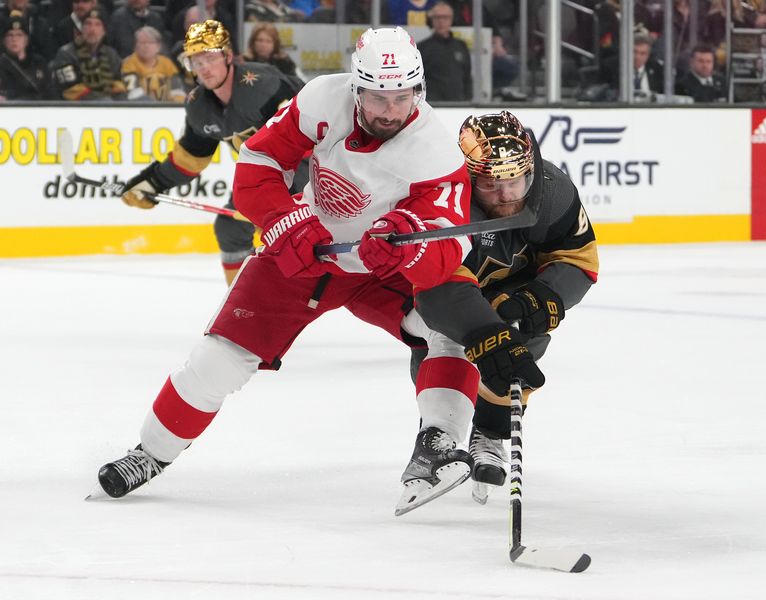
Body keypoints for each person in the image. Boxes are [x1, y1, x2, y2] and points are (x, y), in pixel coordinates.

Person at [95, 27, 483, 516]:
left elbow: (450, 238)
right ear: (356, 88)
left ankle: (439, 444)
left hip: (382, 267)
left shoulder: (436, 150)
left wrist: (408, 244)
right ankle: (149, 453)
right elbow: (259, 160)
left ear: (418, 91)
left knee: (453, 328)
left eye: (401, 97)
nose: (390, 110)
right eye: (378, 97)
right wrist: (284, 218)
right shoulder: (324, 96)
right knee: (218, 359)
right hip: (306, 255)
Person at [412, 111, 598, 499]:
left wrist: (545, 296)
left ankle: (492, 432)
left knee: (525, 335)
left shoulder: (554, 191)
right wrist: (486, 325)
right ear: (467, 178)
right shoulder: (442, 199)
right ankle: (436, 437)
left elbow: (579, 260)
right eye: (492, 185)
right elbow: (436, 285)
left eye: (515, 181)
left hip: (516, 283)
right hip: (447, 287)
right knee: (443, 340)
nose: (507, 194)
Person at [120, 19, 303, 284]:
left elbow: (308, 138)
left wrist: (279, 200)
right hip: (265, 178)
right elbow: (190, 159)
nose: (204, 68)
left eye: (209, 58)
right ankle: (245, 301)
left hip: (312, 170)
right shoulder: (199, 106)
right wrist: (151, 183)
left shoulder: (264, 85)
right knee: (229, 228)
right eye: (196, 62)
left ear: (228, 56)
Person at [50, 8, 127, 100]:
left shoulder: (111, 54)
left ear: (104, 32)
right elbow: (71, 89)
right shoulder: (66, 54)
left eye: (97, 25)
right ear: (81, 29)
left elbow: (119, 84)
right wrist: (104, 101)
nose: (92, 29)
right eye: (88, 24)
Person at [417, 1, 471, 101]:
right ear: (431, 20)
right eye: (437, 17)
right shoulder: (421, 48)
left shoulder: (461, 46)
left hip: (459, 105)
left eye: (445, 17)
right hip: (433, 106)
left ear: (452, 19)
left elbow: (467, 78)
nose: (441, 21)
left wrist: (469, 101)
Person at [122, 26, 185, 101]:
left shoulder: (167, 63)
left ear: (158, 46)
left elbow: (177, 90)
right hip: (141, 107)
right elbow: (134, 93)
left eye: (150, 42)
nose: (146, 46)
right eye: (142, 42)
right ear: (135, 46)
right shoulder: (129, 63)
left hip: (167, 107)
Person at [0, 11, 50, 100]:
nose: (14, 39)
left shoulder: (39, 62)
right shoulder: (2, 64)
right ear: (4, 40)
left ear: (26, 39)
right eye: (10, 35)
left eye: (19, 35)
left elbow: (50, 90)